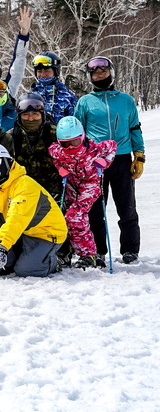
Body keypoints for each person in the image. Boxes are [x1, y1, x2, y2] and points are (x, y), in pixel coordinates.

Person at [74, 56, 144, 264]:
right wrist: (79, 159)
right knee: (95, 208)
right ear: (90, 77)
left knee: (127, 206)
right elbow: (79, 133)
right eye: (95, 73)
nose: (100, 76)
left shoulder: (126, 100)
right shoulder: (85, 102)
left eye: (103, 72)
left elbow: (134, 127)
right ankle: (98, 250)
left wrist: (139, 155)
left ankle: (130, 249)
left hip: (122, 158)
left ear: (111, 73)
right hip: (96, 160)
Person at [0, 144, 67, 277]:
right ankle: (7, 262)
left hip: (45, 233)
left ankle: (52, 262)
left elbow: (17, 218)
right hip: (22, 231)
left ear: (8, 161)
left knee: (25, 270)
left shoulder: (24, 184)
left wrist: (2, 246)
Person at [48, 117, 115, 269]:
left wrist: (105, 162)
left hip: (91, 185)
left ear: (82, 137)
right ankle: (66, 253)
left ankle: (88, 254)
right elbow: (53, 153)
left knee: (74, 216)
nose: (71, 147)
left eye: (75, 142)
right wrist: (60, 168)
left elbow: (112, 146)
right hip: (72, 185)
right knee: (65, 216)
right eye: (65, 143)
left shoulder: (95, 149)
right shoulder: (58, 150)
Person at [9, 93, 61, 202]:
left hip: (54, 193)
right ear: (19, 116)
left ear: (42, 115)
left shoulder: (55, 134)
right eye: (26, 115)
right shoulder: (12, 137)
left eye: (35, 114)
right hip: (23, 193)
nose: (31, 119)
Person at [30, 52, 77, 121]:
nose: (43, 75)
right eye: (39, 71)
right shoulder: (31, 97)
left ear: (55, 72)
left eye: (47, 71)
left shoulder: (67, 97)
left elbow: (74, 123)